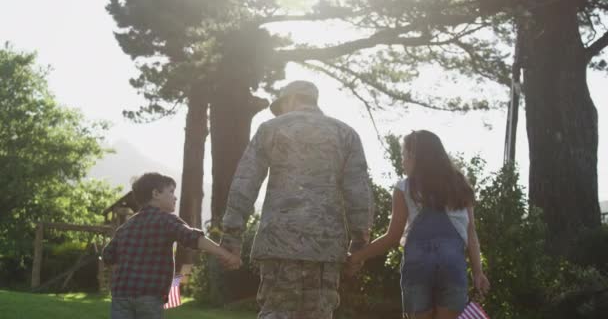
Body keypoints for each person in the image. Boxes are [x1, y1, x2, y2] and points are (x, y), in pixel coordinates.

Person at [220, 80, 374, 319]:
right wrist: (359, 243)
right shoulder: (345, 134)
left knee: (277, 312)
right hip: (325, 246)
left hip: (279, 243)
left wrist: (231, 236)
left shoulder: (270, 129)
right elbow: (358, 193)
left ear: (290, 100)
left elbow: (245, 184)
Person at [348, 130, 490, 319]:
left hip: (418, 270)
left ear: (416, 157)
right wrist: (478, 272)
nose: (402, 161)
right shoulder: (460, 187)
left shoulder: (405, 188)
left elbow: (392, 238)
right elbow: (471, 233)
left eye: (404, 155)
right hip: (452, 269)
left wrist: (356, 257)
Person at [102, 172, 241, 319]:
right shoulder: (166, 220)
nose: (175, 197)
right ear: (156, 194)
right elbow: (192, 238)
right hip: (149, 295)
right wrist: (225, 254)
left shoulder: (126, 227)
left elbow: (108, 255)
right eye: (171, 192)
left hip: (121, 295)